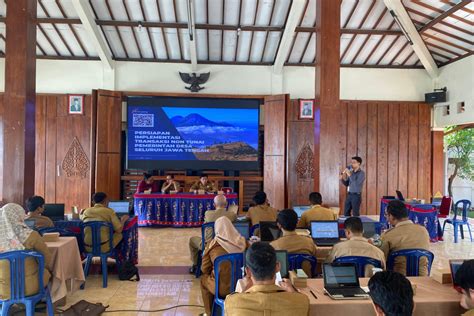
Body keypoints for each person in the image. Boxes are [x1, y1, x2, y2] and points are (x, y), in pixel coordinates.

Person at [224, 242, 310, 316]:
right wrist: (292, 290)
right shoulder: (302, 302)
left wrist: (245, 290)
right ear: (277, 267)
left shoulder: (231, 302)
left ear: (248, 272)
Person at [0, 203, 52, 300]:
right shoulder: (31, 235)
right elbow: (47, 259)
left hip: (3, 289)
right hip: (31, 287)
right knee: (49, 272)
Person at [200, 216, 247, 316]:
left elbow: (204, 269)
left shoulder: (212, 245)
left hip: (221, 289)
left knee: (203, 279)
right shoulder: (243, 242)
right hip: (243, 285)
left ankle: (209, 313)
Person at [377, 200, 430, 276]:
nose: (386, 218)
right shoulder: (424, 231)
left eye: (386, 215)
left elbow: (381, 260)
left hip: (397, 280)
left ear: (391, 216)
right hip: (423, 278)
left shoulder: (388, 235)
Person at [189, 195, 237, 273]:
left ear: (214, 204)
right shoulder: (232, 215)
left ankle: (195, 265)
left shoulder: (208, 213)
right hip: (226, 243)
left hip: (208, 244)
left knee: (192, 240)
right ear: (226, 204)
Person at [270, 209, 317, 277]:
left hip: (282, 283)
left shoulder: (273, 245)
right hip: (306, 282)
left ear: (279, 225)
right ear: (297, 223)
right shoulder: (309, 241)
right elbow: (314, 257)